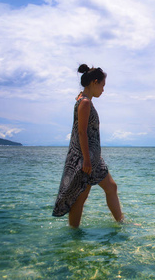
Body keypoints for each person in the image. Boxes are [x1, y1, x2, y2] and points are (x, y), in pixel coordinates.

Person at [53, 64, 123, 228]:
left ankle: (74, 232)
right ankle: (120, 222)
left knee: (87, 194)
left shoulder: (82, 100)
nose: (103, 90)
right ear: (94, 82)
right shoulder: (85, 103)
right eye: (102, 86)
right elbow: (82, 133)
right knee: (93, 193)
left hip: (90, 157)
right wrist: (86, 161)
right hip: (88, 158)